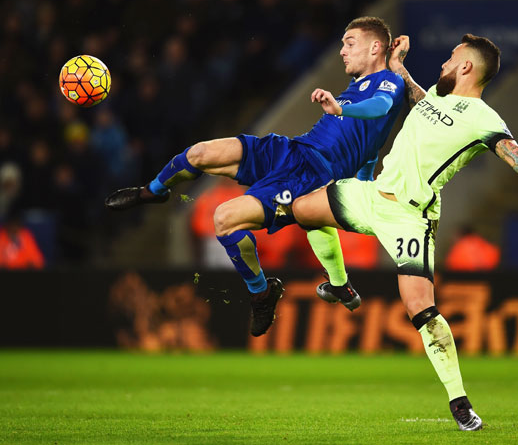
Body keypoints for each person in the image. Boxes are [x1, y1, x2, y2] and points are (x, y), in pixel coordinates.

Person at [292, 33, 518, 431]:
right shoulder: (436, 99)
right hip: (371, 196)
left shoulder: (485, 119)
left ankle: (460, 403)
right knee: (301, 208)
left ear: (467, 67)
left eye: (451, 58)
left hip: (410, 216)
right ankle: (340, 285)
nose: (443, 64)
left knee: (419, 309)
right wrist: (397, 64)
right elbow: (421, 103)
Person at [105, 17, 405, 337]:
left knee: (224, 218)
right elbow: (369, 147)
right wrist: (362, 177)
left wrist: (341, 110)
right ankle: (153, 191)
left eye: (350, 43)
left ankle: (261, 291)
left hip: (309, 173)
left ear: (375, 47)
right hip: (290, 149)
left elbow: (379, 106)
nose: (342, 50)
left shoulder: (388, 83)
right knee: (199, 154)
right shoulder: (354, 88)